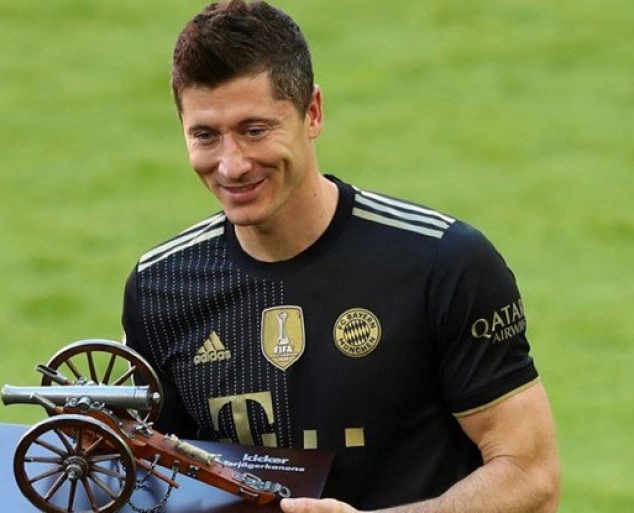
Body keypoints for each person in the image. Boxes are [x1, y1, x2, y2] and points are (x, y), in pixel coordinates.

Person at [122, 1, 561, 512]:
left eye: (254, 130)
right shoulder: (161, 288)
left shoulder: (442, 263)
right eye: (205, 135)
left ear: (312, 113)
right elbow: (149, 479)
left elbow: (532, 477)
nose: (232, 164)